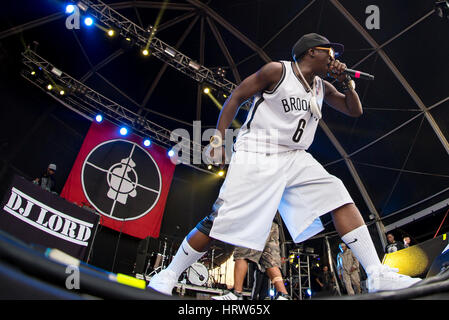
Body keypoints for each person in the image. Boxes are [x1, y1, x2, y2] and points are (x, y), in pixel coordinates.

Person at [148, 33, 421, 296]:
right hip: (258, 150)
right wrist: (218, 139)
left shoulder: (322, 87)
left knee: (337, 192)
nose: (334, 57)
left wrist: (347, 83)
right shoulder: (277, 71)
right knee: (219, 221)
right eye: (330, 52)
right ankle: (169, 273)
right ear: (311, 51)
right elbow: (236, 97)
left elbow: (354, 110)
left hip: (293, 156)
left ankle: (376, 273)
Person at [212, 218, 290, 300]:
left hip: (255, 218)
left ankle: (237, 294)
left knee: (242, 254)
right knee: (270, 260)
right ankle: (283, 295)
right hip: (271, 221)